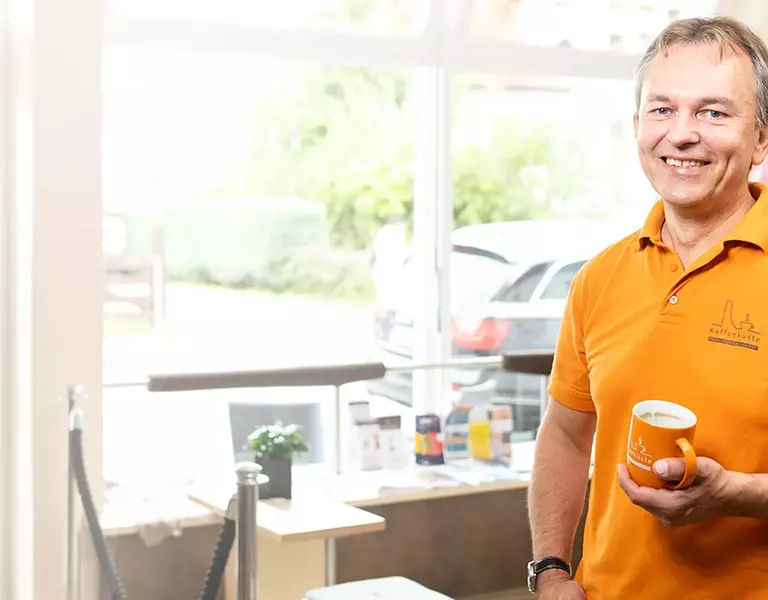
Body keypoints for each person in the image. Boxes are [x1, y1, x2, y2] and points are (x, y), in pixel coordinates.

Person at [528, 16, 768, 599]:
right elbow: (563, 432)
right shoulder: (600, 277)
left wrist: (736, 494)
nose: (681, 135)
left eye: (713, 112)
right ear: (637, 127)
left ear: (762, 136)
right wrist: (551, 570)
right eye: (662, 110)